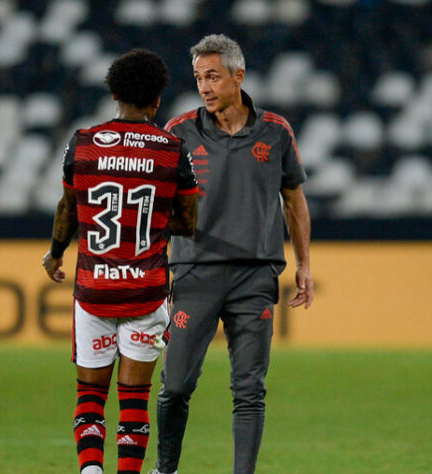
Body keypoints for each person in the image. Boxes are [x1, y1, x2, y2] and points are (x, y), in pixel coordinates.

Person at [152, 34, 315, 474]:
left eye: (212, 76)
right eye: (198, 78)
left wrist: (303, 265)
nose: (204, 87)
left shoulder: (276, 132)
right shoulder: (179, 131)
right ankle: (165, 468)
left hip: (255, 277)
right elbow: (157, 200)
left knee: (249, 389)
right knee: (177, 384)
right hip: (194, 273)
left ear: (237, 76)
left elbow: (295, 201)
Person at [42, 48, 199, 474]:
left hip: (94, 288)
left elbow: (67, 209)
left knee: (90, 396)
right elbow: (187, 222)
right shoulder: (172, 150)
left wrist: (56, 254)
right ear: (157, 100)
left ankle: (90, 471)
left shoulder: (83, 143)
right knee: (134, 399)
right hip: (145, 291)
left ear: (114, 95)